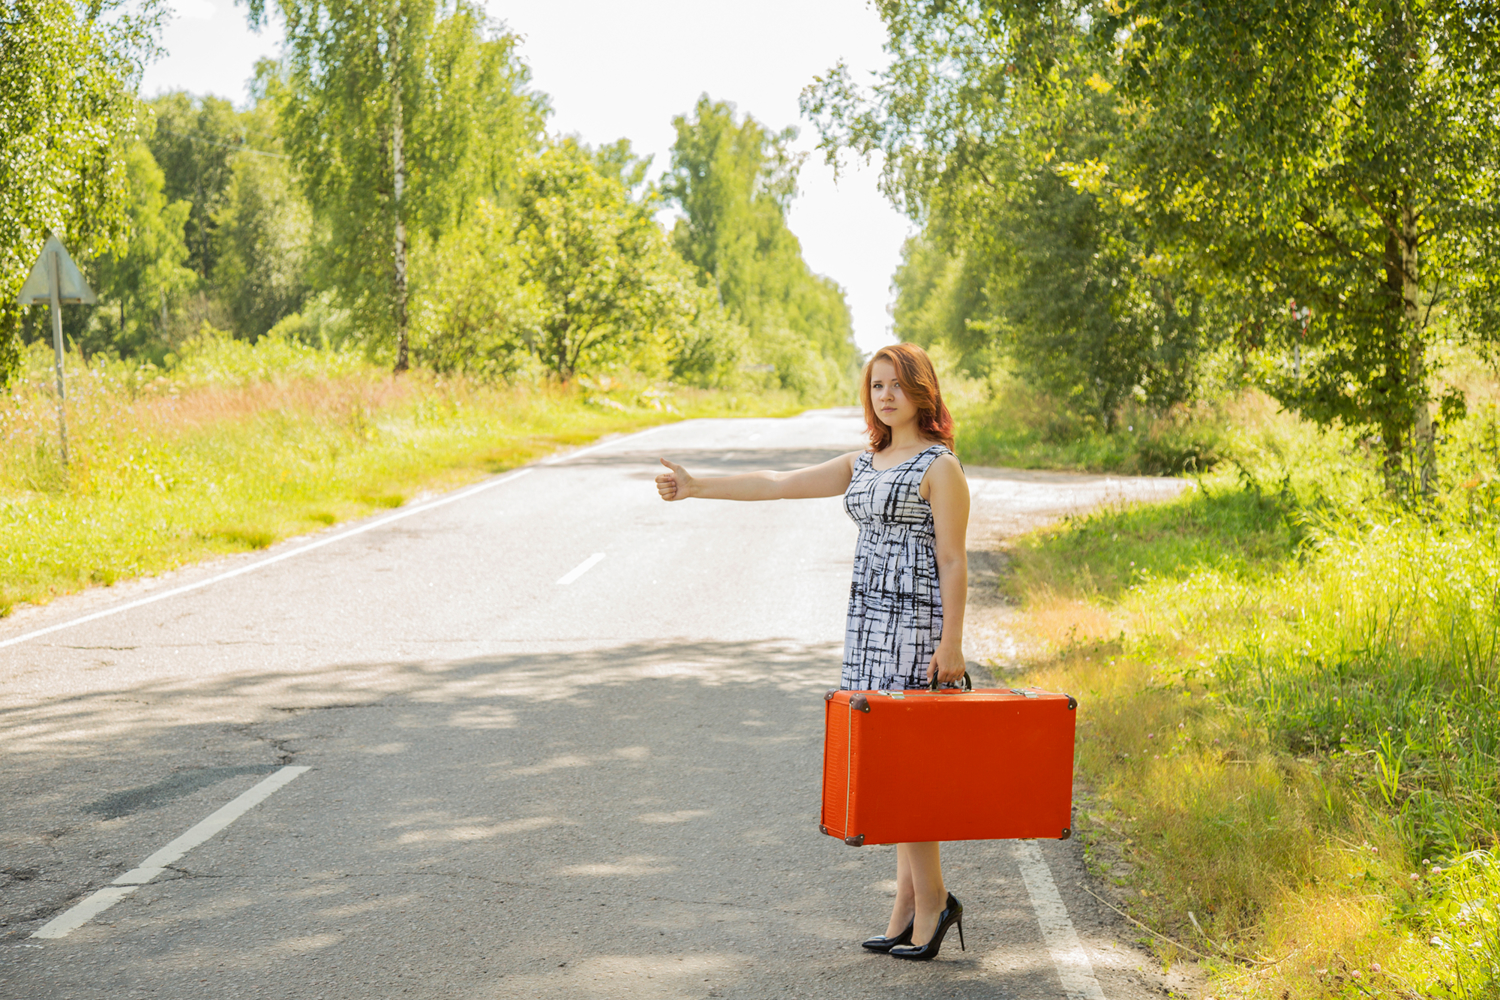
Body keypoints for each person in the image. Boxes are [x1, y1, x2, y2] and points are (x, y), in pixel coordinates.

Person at [654, 342, 971, 961]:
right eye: (877, 386)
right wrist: (697, 486)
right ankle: (908, 905)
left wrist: (951, 643)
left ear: (923, 392)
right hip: (866, 624)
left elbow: (955, 561)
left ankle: (932, 903)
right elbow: (777, 484)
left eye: (897, 385)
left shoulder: (940, 466)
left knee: (908, 770)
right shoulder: (864, 461)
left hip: (914, 629)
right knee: (887, 765)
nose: (885, 396)